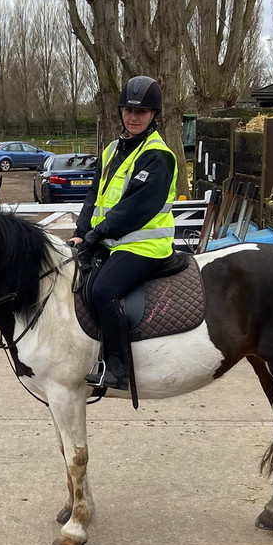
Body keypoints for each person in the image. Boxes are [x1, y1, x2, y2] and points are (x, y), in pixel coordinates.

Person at [70, 75, 178, 391]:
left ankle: (117, 368)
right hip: (113, 242)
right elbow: (95, 194)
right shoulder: (113, 149)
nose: (133, 117)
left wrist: (95, 235)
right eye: (128, 110)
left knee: (103, 290)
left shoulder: (157, 155)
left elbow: (134, 209)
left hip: (146, 247)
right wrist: (80, 232)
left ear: (153, 115)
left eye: (141, 112)